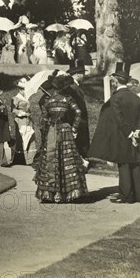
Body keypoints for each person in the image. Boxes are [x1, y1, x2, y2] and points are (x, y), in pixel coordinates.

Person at [88, 63, 140, 203]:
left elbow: (118, 119)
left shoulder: (115, 98)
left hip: (123, 136)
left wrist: (129, 134)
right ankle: (139, 195)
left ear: (115, 81)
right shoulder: (137, 98)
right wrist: (138, 131)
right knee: (135, 164)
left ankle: (126, 196)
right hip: (136, 136)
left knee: (124, 165)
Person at [34, 74, 88, 202]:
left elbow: (43, 118)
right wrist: (74, 128)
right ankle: (68, 193)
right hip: (65, 130)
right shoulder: (68, 99)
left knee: (50, 160)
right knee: (66, 160)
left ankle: (50, 193)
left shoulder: (49, 100)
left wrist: (47, 128)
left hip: (52, 131)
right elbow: (78, 112)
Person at [66, 60, 90, 168]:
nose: (84, 76)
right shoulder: (72, 88)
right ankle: (79, 163)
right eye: (82, 73)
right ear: (77, 75)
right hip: (78, 120)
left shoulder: (75, 86)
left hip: (79, 120)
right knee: (79, 143)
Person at [12, 77, 35, 165]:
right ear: (19, 89)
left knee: (30, 137)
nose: (24, 91)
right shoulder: (15, 98)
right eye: (22, 89)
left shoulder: (26, 98)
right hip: (20, 120)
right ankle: (21, 159)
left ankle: (30, 159)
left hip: (28, 120)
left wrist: (29, 114)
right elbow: (13, 110)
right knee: (22, 138)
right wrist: (23, 113)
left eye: (24, 89)